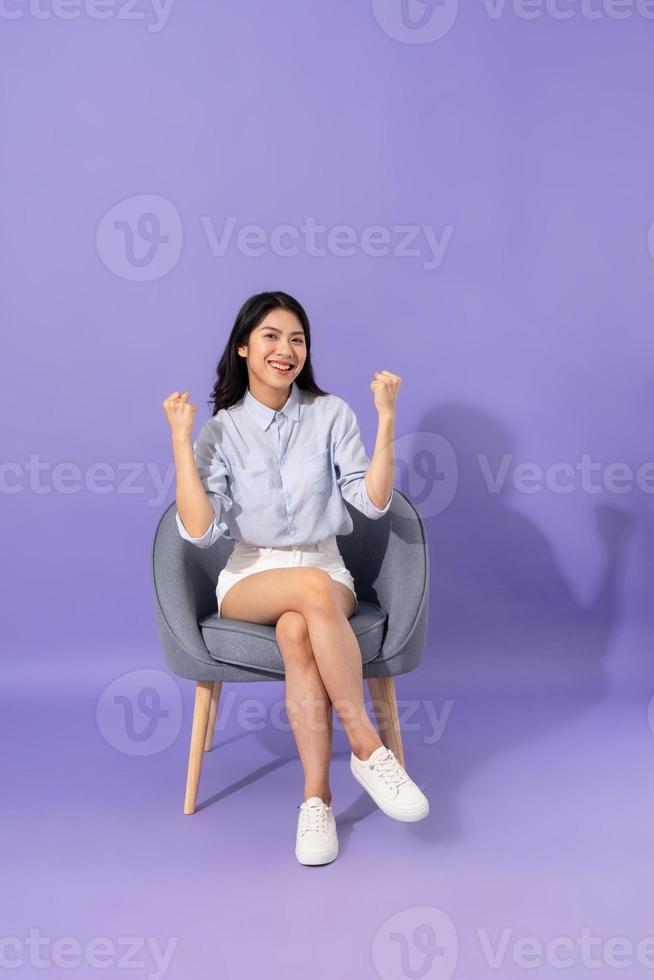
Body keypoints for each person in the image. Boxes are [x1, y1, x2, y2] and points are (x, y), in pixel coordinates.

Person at [162, 290, 429, 865]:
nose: (287, 350)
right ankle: (368, 747)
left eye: (297, 339)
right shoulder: (222, 430)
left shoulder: (331, 414)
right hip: (250, 573)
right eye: (272, 337)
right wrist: (182, 442)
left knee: (296, 631)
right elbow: (200, 530)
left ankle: (317, 801)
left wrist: (386, 420)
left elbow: (374, 502)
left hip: (325, 564)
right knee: (305, 592)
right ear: (243, 348)